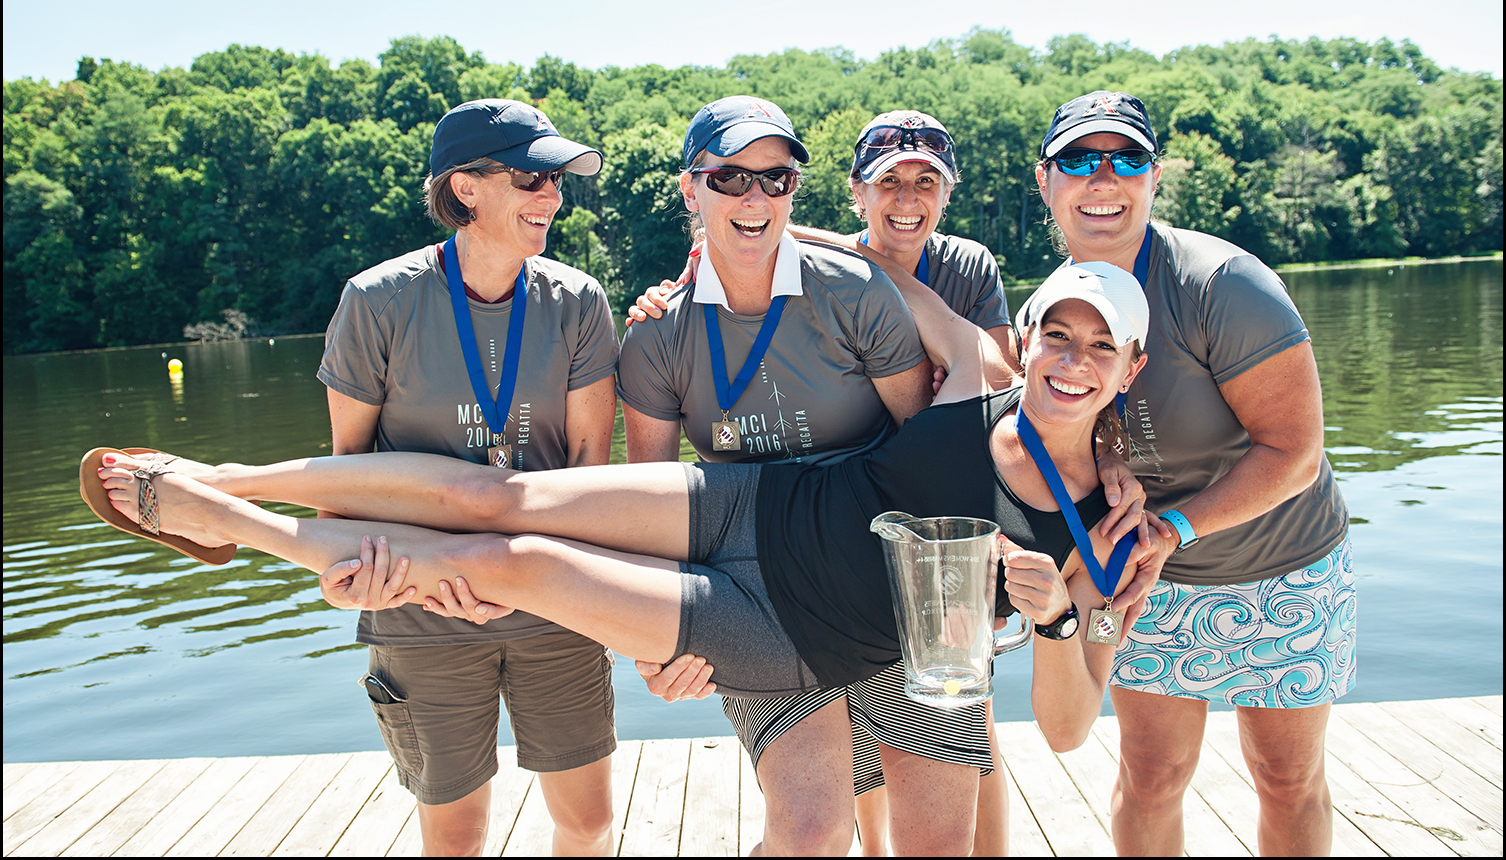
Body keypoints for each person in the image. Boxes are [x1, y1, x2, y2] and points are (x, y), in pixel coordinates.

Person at [86, 261, 1169, 858]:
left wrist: (1059, 617)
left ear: (1132, 367)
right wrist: (724, 251)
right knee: (499, 494)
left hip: (781, 635)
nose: (1071, 363)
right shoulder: (977, 372)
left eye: (1099, 347)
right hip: (751, 500)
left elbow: (1073, 727)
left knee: (511, 560)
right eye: (1056, 337)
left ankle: (242, 527)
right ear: (1026, 338)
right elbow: (889, 275)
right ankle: (233, 475)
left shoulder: (1101, 523)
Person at [629, 108, 1041, 855]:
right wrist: (656, 639)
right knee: (811, 833)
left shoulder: (864, 289)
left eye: (776, 179)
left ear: (797, 190)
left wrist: (979, 579)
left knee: (944, 834)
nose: (754, 197)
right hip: (760, 590)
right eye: (729, 177)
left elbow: (930, 456)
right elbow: (645, 504)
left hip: (883, 585)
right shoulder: (658, 332)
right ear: (692, 190)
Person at [1033, 90, 1356, 856]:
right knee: (1150, 772)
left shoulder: (1224, 284)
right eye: (1079, 159)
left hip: (1286, 569)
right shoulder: (1055, 302)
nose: (1102, 178)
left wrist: (1173, 525)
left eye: (1127, 159)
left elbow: (1295, 452)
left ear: (1154, 176)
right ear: (1046, 181)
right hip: (1152, 580)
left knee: (1286, 774)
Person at [315, 98, 620, 857]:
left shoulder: (579, 302)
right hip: (419, 605)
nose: (551, 195)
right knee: (456, 838)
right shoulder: (375, 300)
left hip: (554, 596)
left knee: (587, 821)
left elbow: (590, 474)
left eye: (556, 180)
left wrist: (518, 575)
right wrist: (399, 578)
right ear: (466, 187)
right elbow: (343, 477)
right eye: (529, 177)